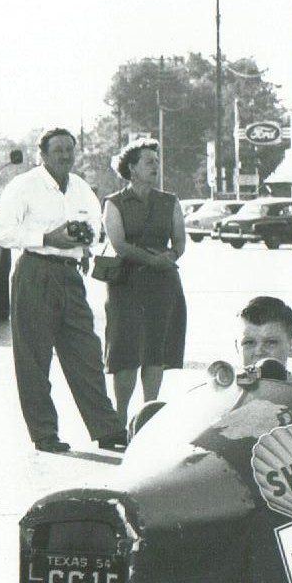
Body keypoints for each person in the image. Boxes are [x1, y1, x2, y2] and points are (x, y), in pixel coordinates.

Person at [0, 128, 125, 454]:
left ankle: (107, 430)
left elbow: (94, 228)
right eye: (58, 150)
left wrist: (84, 239)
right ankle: (45, 433)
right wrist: (46, 238)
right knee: (34, 358)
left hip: (71, 274)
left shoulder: (80, 188)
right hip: (36, 270)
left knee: (86, 354)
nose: (65, 155)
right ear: (43, 155)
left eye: (69, 150)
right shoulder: (24, 186)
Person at [101, 139, 188, 432]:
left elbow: (179, 240)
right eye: (149, 161)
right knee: (125, 352)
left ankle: (148, 416)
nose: (155, 166)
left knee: (155, 350)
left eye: (157, 161)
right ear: (132, 168)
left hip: (163, 284)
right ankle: (120, 418)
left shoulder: (169, 201)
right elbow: (119, 244)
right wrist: (153, 260)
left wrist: (171, 256)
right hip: (127, 284)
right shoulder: (114, 203)